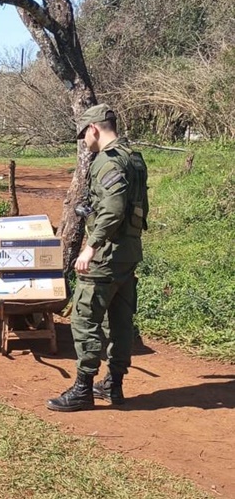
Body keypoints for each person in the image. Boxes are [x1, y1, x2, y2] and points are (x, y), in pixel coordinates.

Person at [46, 104, 149, 412]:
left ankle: (82, 388)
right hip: (128, 253)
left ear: (94, 129)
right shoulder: (133, 158)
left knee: (85, 318)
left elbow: (114, 209)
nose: (84, 142)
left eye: (84, 136)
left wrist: (91, 245)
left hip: (106, 254)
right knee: (120, 320)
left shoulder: (107, 161)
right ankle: (114, 386)